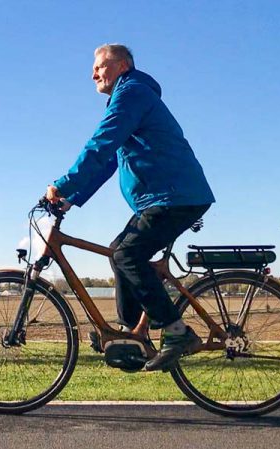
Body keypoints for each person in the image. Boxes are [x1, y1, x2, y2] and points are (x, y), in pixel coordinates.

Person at [45, 44, 215, 371]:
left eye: (100, 66)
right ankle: (131, 334)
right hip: (165, 197)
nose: (93, 73)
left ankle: (177, 332)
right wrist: (70, 198)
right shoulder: (130, 95)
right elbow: (108, 161)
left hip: (174, 196)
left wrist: (62, 184)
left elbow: (101, 144)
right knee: (117, 251)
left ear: (122, 65)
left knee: (127, 254)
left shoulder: (132, 93)